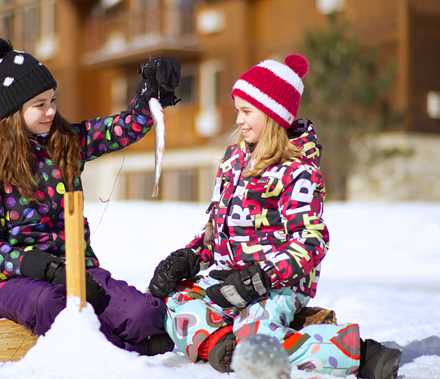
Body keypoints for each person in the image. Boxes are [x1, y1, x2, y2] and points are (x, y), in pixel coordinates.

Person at [148, 54, 402, 378]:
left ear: (271, 114)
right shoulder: (232, 161)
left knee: (256, 336)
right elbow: (217, 229)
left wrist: (261, 278)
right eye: (237, 109)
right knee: (173, 301)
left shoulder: (298, 172)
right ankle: (224, 348)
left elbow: (312, 241)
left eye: (246, 111)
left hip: (275, 283)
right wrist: (191, 257)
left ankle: (357, 353)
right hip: (228, 278)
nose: (238, 120)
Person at [0, 37, 180, 355]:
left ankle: (130, 344)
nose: (51, 111)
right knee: (59, 307)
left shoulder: (66, 141)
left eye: (53, 101)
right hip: (20, 283)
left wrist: (150, 97)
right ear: (13, 110)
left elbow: (121, 128)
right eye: (39, 105)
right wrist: (39, 266)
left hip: (81, 270)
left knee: (144, 314)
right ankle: (123, 354)